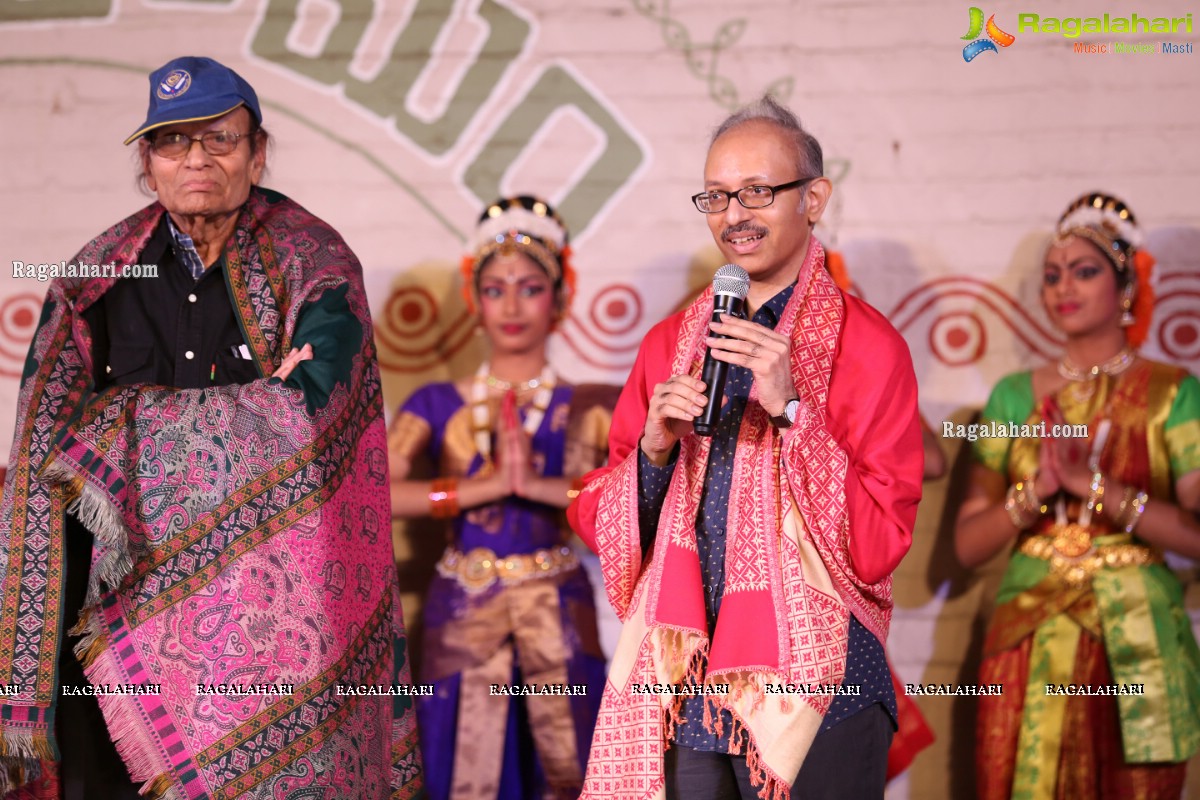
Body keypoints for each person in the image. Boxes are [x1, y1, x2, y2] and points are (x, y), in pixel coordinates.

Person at [0, 56, 422, 799]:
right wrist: (252, 402)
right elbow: (47, 448)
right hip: (115, 627)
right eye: (173, 142)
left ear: (257, 153)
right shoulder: (95, 278)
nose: (197, 158)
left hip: (269, 622)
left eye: (219, 139)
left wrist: (124, 421)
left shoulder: (314, 263)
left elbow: (316, 415)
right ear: (147, 161)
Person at [568, 95, 924, 799]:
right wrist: (653, 454)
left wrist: (793, 408)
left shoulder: (869, 347)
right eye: (718, 196)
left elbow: (880, 545)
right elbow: (595, 516)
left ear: (814, 198)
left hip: (823, 691)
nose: (735, 215)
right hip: (693, 695)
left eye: (759, 191)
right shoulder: (670, 345)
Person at [955, 192, 1200, 799]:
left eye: (1084, 271)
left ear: (1125, 290)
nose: (1064, 287)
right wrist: (1037, 488)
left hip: (1138, 633)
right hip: (1025, 632)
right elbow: (965, 547)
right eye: (1052, 276)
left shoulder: (1173, 393)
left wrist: (1095, 487)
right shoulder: (1014, 398)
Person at [388, 196, 610, 799]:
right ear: (474, 300)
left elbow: (635, 502)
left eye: (531, 287)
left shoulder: (597, 404)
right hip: (461, 611)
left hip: (559, 610)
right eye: (495, 289)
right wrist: (478, 489)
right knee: (462, 768)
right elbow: (376, 494)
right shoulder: (432, 405)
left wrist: (539, 488)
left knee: (568, 770)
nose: (511, 305)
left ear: (560, 298)